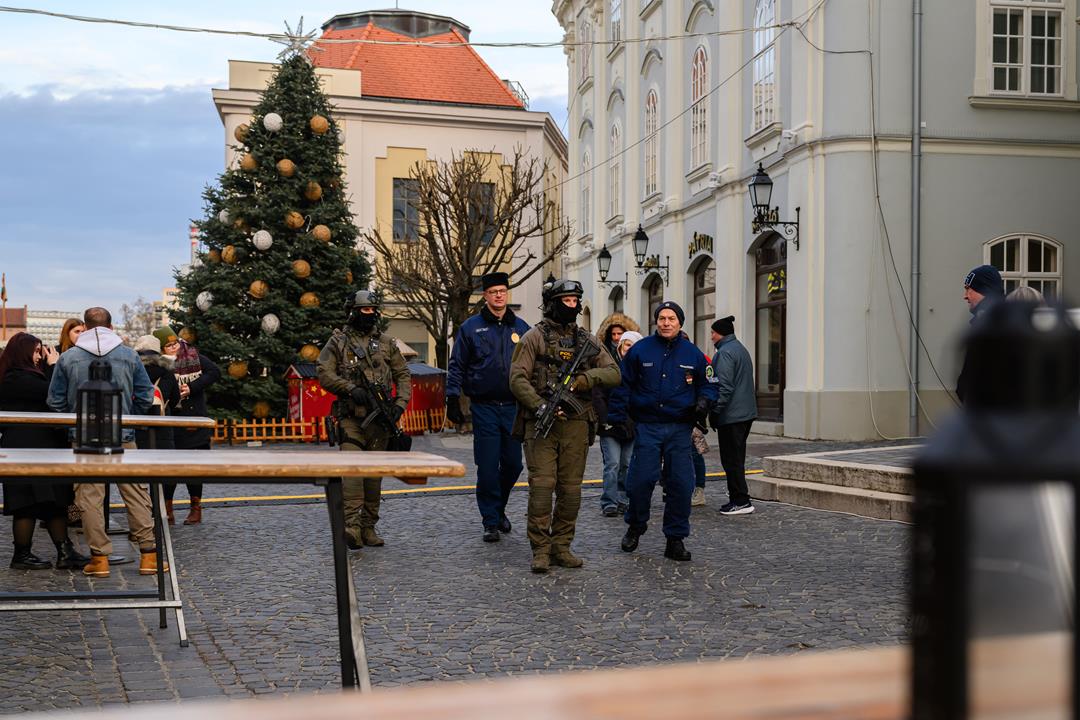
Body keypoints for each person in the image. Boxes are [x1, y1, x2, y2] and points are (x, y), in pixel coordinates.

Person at [509, 279, 620, 573]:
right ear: (553, 303)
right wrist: (539, 404)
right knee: (542, 489)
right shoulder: (534, 338)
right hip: (542, 424)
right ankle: (541, 550)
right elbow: (517, 379)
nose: (571, 306)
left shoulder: (587, 341)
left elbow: (613, 373)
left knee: (571, 491)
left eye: (575, 301)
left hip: (577, 423)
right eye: (566, 301)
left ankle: (562, 546)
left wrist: (585, 380)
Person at [46, 307, 161, 578]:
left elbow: (55, 401)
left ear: (85, 328)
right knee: (136, 494)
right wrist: (131, 417)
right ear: (111, 326)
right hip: (124, 435)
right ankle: (148, 556)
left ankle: (99, 559)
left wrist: (74, 422)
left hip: (84, 437)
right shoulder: (129, 354)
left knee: (89, 499)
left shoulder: (69, 357)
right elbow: (146, 396)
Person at [620, 301, 716, 562]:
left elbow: (709, 384)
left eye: (671, 318)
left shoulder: (693, 354)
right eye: (662, 318)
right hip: (648, 426)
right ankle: (635, 526)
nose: (666, 323)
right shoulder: (640, 350)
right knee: (641, 481)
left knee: (681, 485)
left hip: (679, 428)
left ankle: (675, 539)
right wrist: (621, 417)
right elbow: (622, 384)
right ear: (656, 321)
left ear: (680, 322)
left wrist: (705, 401)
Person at [317, 290, 412, 550]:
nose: (368, 314)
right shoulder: (338, 342)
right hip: (351, 419)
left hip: (380, 422)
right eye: (364, 310)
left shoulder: (387, 343)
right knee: (352, 474)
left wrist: (399, 405)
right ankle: (352, 527)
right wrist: (349, 389)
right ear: (353, 311)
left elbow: (403, 375)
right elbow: (323, 372)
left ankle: (369, 526)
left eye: (372, 310)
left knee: (373, 477)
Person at [446, 272, 531, 542]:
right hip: (484, 407)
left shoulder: (522, 328)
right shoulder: (471, 328)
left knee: (513, 464)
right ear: (485, 295)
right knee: (487, 465)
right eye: (493, 291)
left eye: (502, 291)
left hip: (514, 407)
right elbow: (457, 365)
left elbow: (535, 366)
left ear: (507, 294)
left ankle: (499, 507)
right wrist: (451, 398)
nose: (498, 295)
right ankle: (490, 521)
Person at [0, 332, 89, 570]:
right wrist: (53, 367)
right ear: (23, 352)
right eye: (37, 351)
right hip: (31, 447)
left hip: (30, 446)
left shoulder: (12, 376)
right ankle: (26, 554)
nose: (40, 355)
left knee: (48, 501)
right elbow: (51, 396)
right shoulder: (18, 379)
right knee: (31, 502)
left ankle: (61, 551)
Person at [154, 325, 221, 525]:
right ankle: (167, 509)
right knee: (170, 467)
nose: (174, 348)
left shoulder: (193, 355)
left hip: (194, 419)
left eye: (174, 343)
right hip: (171, 420)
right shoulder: (159, 363)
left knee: (193, 467)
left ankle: (196, 508)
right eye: (168, 346)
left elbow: (214, 372)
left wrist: (191, 387)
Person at [708, 315, 758, 516]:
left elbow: (724, 386)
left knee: (731, 459)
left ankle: (740, 500)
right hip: (744, 413)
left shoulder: (725, 352)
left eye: (712, 332)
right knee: (736, 457)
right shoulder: (739, 348)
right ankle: (739, 498)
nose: (711, 336)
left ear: (721, 333)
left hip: (732, 415)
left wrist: (715, 411)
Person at [133, 335, 183, 523]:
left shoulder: (133, 371)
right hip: (163, 427)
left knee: (138, 473)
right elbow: (176, 398)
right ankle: (163, 508)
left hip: (138, 426)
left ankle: (142, 514)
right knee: (167, 469)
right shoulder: (167, 372)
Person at [593, 327, 642, 517]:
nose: (629, 349)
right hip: (611, 425)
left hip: (631, 426)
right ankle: (609, 501)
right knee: (612, 464)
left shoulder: (642, 370)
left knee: (627, 464)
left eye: (633, 345)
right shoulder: (610, 367)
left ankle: (623, 498)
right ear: (621, 346)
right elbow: (598, 395)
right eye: (626, 345)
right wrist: (606, 420)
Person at [956, 264, 1004, 404]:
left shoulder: (993, 325)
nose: (965, 296)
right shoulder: (990, 321)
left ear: (984, 290)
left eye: (968, 289)